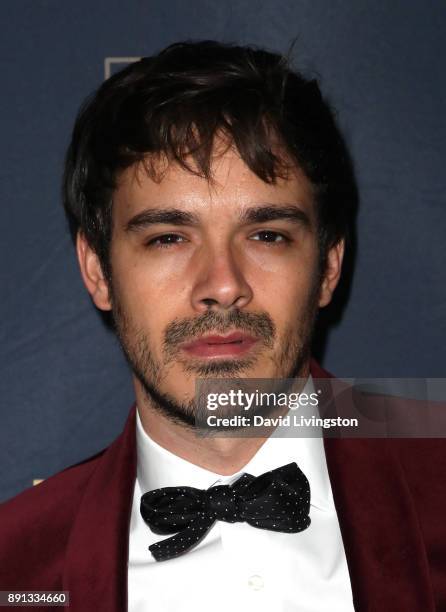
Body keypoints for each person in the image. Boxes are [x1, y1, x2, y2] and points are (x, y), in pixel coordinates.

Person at [0, 40, 444, 612]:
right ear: (98, 271)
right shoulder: (16, 567)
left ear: (329, 266)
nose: (223, 282)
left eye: (267, 235)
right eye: (167, 238)